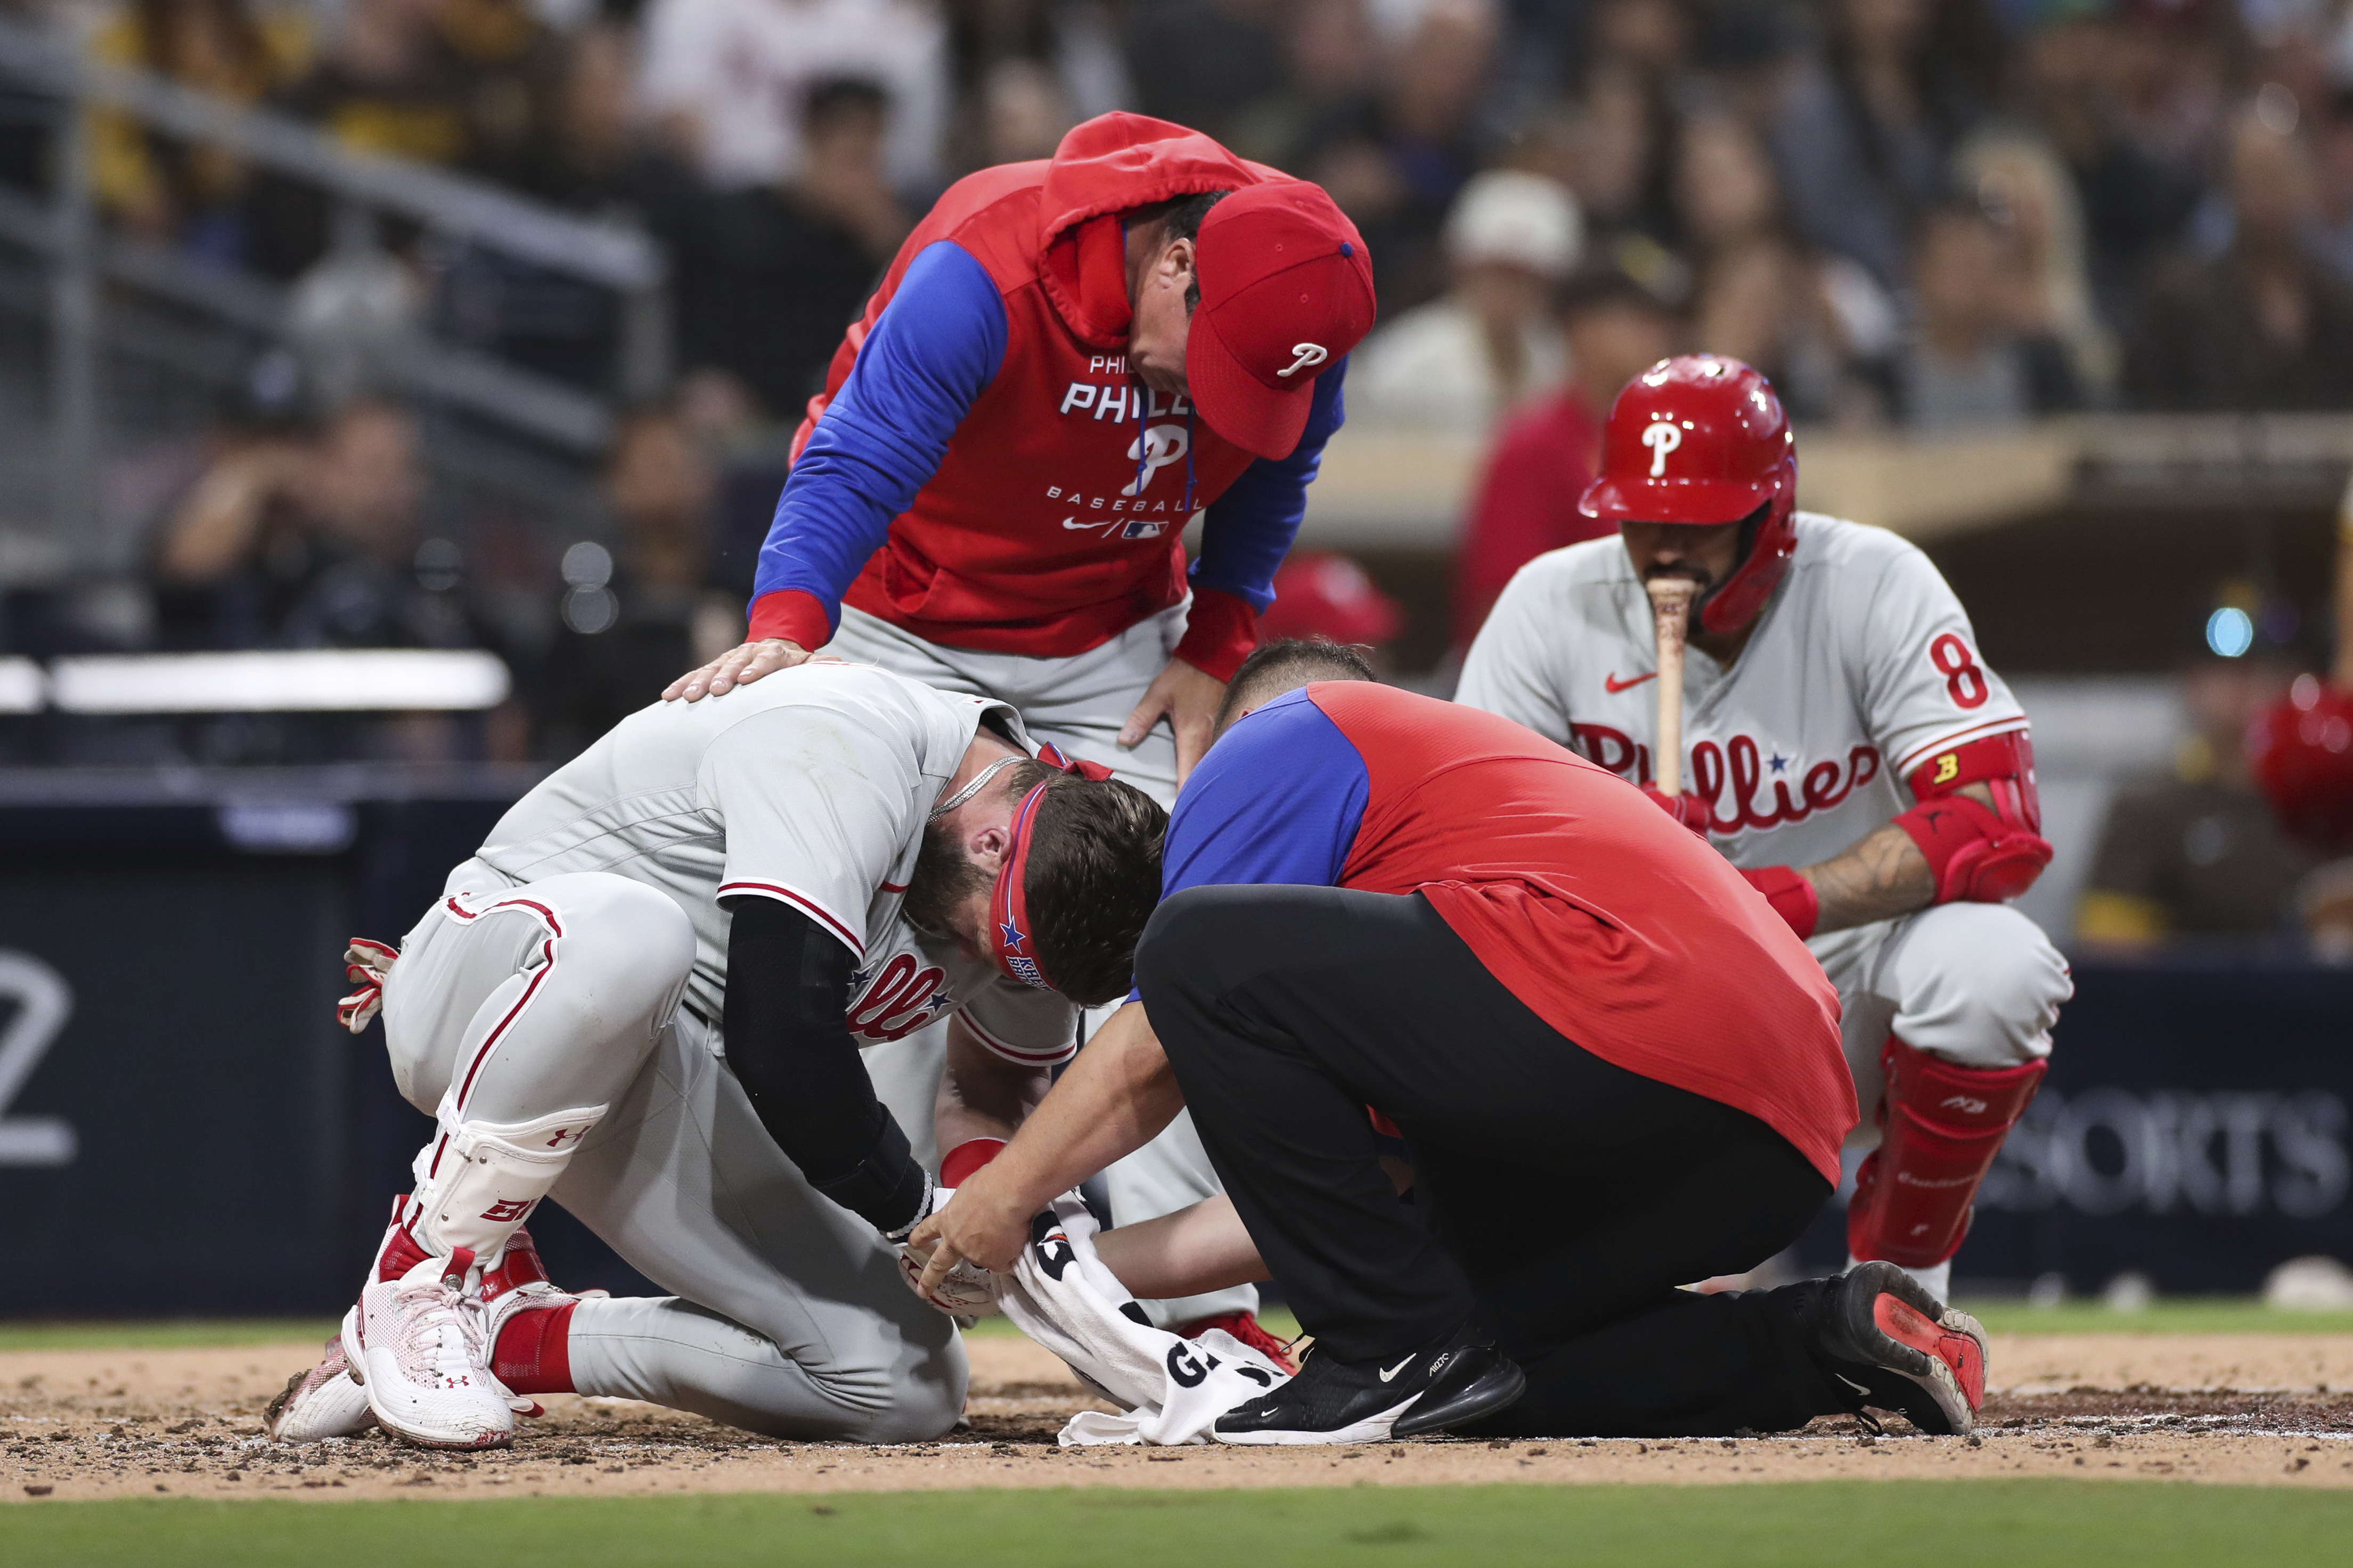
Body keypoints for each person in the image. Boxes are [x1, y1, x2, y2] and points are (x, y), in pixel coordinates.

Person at [662, 111, 1376, 1337]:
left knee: (1199, 912)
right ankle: (867, 1293)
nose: (1205, 406)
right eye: (1208, 375)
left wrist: (1216, 647)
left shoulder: (1301, 282)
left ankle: (1199, 1309)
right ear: (1171, 266)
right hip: (900, 619)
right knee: (862, 929)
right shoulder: (988, 266)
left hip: (1107, 632)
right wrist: (789, 623)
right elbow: (854, 459)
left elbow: (1276, 476)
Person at [912, 641, 1995, 1444]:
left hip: (1638, 1018)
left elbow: (1156, 1036)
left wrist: (1001, 1197)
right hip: (1763, 1135)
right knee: (1474, 1376)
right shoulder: (1395, 978)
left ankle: (1393, 1352)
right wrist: (1059, 1266)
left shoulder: (1271, 745)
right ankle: (1831, 1337)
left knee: (1200, 948)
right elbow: (1333, 1207)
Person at [263, 660, 1166, 1448]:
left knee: (903, 1381)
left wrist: (1006, 1229)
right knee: (633, 935)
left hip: (668, 1062)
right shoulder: (849, 741)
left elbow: (997, 1089)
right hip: (489, 989)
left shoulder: (1045, 891)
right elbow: (781, 1036)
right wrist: (916, 1213)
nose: (977, 964)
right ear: (991, 838)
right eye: (985, 941)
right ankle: (423, 1273)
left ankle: (513, 1333)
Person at [1455, 355, 2074, 1301]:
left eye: (1695, 520)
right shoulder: (1548, 607)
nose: (1662, 546)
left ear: (1769, 512)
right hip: (1632, 995)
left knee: (1993, 966)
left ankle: (1902, 1285)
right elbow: (1468, 871)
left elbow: (1993, 821)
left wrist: (1769, 900)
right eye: (1640, 515)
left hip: (1839, 986)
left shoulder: (1872, 584)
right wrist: (1609, 865)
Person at [1450, 265, 1673, 651]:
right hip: (1558, 686)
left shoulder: (1667, 441)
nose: (1657, 337)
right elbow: (1501, 601)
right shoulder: (1534, 445)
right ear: (1581, 330)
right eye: (1636, 320)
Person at [1346, 168, 1581, 436]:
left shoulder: (1562, 361)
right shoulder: (1408, 356)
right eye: (1495, 274)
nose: (1508, 292)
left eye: (1525, 279)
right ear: (1463, 272)